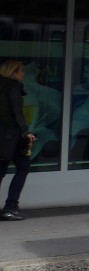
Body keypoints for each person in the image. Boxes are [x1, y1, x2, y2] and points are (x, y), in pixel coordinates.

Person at [0, 59, 35, 221]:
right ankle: (11, 207)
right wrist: (25, 132)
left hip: (4, 137)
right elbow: (16, 112)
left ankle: (11, 207)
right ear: (13, 72)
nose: (23, 73)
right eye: (21, 70)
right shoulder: (12, 87)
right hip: (11, 137)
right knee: (23, 167)